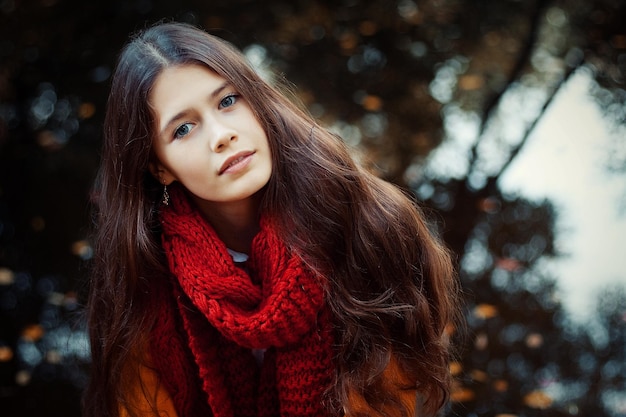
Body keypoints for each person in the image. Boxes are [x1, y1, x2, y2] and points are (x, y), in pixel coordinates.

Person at [83, 21, 460, 417]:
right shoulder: (141, 275)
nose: (221, 135)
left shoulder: (371, 225)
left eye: (228, 101)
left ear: (257, 99)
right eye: (183, 128)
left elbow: (387, 400)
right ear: (159, 168)